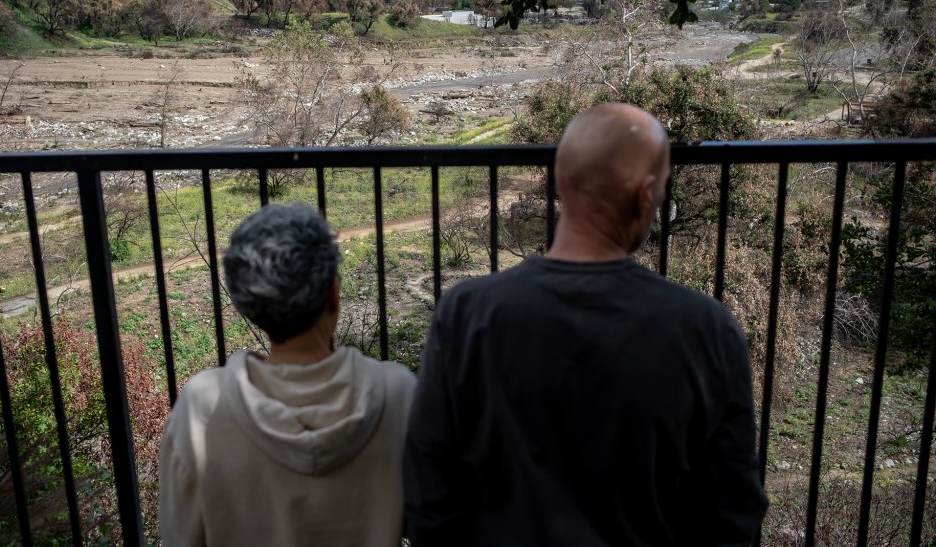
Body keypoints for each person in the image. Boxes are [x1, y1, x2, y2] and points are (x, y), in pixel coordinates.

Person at [403, 103, 768, 546]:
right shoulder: (706, 330)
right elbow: (732, 513)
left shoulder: (466, 314)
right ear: (645, 194)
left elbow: (428, 494)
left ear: (561, 181)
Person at [159, 203, 417, 547]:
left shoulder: (202, 409)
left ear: (245, 303)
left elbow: (180, 536)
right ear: (332, 293)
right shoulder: (398, 394)